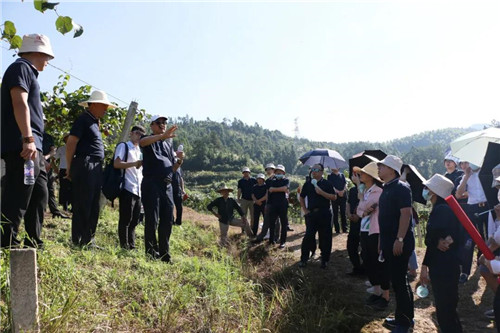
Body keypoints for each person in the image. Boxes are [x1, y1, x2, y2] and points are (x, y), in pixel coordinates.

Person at [1, 34, 55, 248]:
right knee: (19, 195)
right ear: (37, 52)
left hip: (35, 150)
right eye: (47, 56)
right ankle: (7, 246)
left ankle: (34, 244)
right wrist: (28, 138)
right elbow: (19, 102)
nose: (48, 61)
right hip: (25, 148)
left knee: (39, 193)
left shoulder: (29, 72)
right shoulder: (21, 68)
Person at [66, 90, 115, 248]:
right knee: (83, 203)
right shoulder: (83, 120)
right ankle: (77, 240)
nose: (106, 109)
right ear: (93, 105)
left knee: (94, 204)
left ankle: (88, 239)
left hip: (95, 166)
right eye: (103, 106)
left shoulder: (94, 122)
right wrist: (68, 167)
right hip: (85, 164)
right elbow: (71, 142)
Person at [419, 174, 463, 333]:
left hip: (443, 267)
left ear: (435, 191)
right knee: (447, 309)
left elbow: (433, 242)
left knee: (445, 310)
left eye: (427, 188)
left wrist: (425, 266)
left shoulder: (441, 210)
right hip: (446, 266)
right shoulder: (445, 209)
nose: (425, 191)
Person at [376, 155, 414, 333]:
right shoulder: (387, 188)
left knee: (400, 282)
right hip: (388, 241)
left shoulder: (401, 187)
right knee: (397, 281)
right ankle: (401, 318)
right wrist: (381, 242)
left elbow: (406, 214)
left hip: (399, 242)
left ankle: (405, 323)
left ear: (392, 169)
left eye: (381, 166)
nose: (378, 168)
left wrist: (399, 239)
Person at [140, 115, 183, 262]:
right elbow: (142, 142)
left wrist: (180, 161)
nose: (162, 125)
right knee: (152, 219)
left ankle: (165, 254)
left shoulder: (167, 144)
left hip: (167, 185)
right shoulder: (149, 139)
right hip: (152, 183)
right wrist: (161, 136)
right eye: (159, 123)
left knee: (167, 220)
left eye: (164, 123)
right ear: (152, 125)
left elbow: (173, 168)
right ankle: (151, 253)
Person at [354, 162, 389, 311]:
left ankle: (382, 293)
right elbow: (359, 211)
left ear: (370, 176)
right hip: (364, 229)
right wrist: (364, 208)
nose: (360, 175)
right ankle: (376, 290)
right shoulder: (366, 191)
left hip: (375, 230)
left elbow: (369, 208)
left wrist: (363, 205)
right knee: (367, 258)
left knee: (375, 260)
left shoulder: (378, 192)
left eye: (363, 173)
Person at [456, 160, 489, 283]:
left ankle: (487, 267)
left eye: (467, 162)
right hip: (472, 208)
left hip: (486, 207)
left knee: (487, 238)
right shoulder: (465, 176)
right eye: (463, 163)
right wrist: (466, 176)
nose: (466, 165)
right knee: (468, 240)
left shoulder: (485, 172)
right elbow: (458, 194)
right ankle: (465, 271)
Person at [113, 125, 145, 249]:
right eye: (137, 133)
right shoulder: (124, 146)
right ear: (131, 133)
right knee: (126, 218)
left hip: (138, 189)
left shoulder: (140, 151)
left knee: (135, 220)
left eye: (141, 135)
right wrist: (134, 164)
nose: (139, 136)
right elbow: (117, 163)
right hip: (128, 187)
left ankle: (131, 245)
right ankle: (124, 245)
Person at [299, 163, 337, 268]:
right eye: (312, 169)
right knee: (308, 236)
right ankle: (304, 259)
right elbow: (301, 197)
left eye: (316, 169)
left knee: (325, 237)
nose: (314, 171)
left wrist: (321, 192)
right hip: (311, 214)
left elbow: (334, 197)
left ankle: (324, 259)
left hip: (325, 213)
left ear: (321, 172)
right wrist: (305, 210)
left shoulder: (327, 183)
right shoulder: (308, 184)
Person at [254, 164, 289, 247]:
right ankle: (271, 240)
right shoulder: (270, 181)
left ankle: (282, 242)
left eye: (280, 172)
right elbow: (269, 190)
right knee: (272, 223)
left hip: (283, 205)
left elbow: (285, 189)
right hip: (272, 204)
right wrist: (278, 189)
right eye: (277, 172)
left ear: (283, 173)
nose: (278, 173)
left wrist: (274, 189)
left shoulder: (286, 180)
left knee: (283, 223)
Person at [43, 118, 69, 219]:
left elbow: (53, 151)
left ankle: (55, 211)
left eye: (44, 122)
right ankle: (39, 209)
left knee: (50, 188)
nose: (43, 123)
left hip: (47, 166)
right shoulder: (32, 134)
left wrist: (46, 158)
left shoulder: (49, 137)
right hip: (34, 164)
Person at [346, 173, 363, 276]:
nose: (353, 177)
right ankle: (356, 267)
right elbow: (348, 203)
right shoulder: (352, 190)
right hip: (353, 221)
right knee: (351, 246)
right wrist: (348, 214)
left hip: (363, 222)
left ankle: (365, 269)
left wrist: (358, 215)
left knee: (365, 248)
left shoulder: (365, 189)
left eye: (355, 175)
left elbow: (363, 201)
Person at [54, 133, 72, 212]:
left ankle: (73, 206)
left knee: (72, 188)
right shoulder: (61, 149)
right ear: (64, 139)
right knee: (64, 188)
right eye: (67, 137)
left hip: (73, 170)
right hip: (63, 170)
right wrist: (55, 168)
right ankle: (65, 207)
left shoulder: (75, 148)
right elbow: (53, 158)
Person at [328, 167, 348, 233]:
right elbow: (331, 186)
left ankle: (345, 228)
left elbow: (345, 184)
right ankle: (337, 229)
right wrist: (338, 192)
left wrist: (343, 191)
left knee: (343, 212)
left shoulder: (342, 175)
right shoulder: (330, 176)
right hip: (335, 196)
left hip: (343, 196)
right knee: (335, 213)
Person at [237, 167, 257, 233]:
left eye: (247, 172)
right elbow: (239, 190)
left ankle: (252, 229)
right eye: (244, 172)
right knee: (243, 215)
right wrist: (238, 198)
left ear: (249, 172)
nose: (246, 173)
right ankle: (243, 229)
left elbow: (258, 188)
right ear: (243, 173)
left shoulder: (254, 180)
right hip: (244, 199)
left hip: (253, 200)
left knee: (253, 215)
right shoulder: (240, 181)